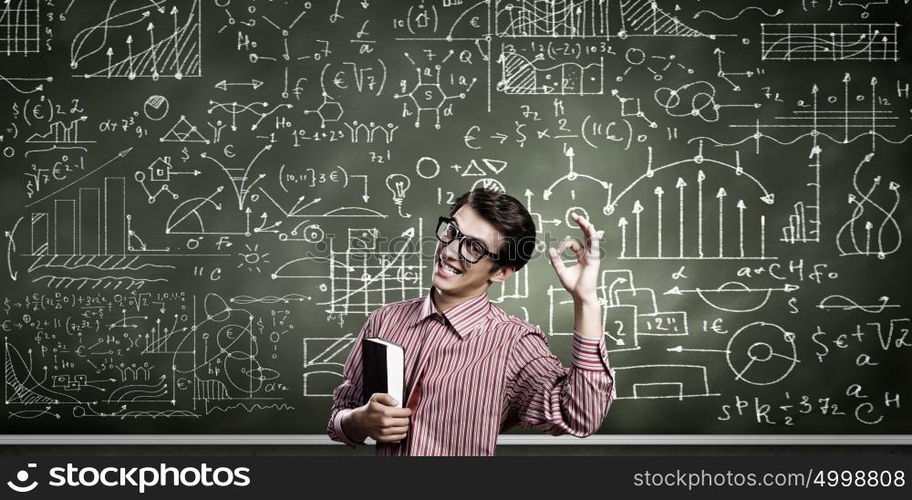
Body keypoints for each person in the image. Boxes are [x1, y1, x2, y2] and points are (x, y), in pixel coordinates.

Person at [327, 188, 615, 455]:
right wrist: (361, 420)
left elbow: (581, 417)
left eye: (474, 248)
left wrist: (586, 302)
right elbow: (340, 416)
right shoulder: (385, 321)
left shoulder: (514, 344)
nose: (450, 251)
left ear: (501, 272)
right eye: (452, 232)